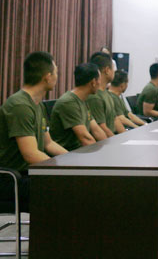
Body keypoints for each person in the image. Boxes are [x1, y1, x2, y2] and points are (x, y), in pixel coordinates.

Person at [0, 52, 67, 210]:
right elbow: (30, 154)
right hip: (12, 179)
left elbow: (49, 144)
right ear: (47, 77)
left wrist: (73, 160)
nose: (57, 77)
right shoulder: (20, 106)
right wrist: (62, 169)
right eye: (56, 72)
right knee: (69, 188)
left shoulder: (37, 104)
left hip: (27, 174)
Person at [50, 63, 107, 151]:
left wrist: (108, 148)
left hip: (79, 151)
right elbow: (85, 138)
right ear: (93, 82)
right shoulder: (68, 102)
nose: (100, 83)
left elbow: (96, 130)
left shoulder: (83, 99)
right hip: (68, 154)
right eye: (99, 80)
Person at [87, 52, 124, 136]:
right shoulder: (95, 97)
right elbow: (101, 128)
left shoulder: (106, 93)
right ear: (107, 70)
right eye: (113, 69)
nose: (114, 72)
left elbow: (115, 119)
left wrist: (125, 138)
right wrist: (116, 141)